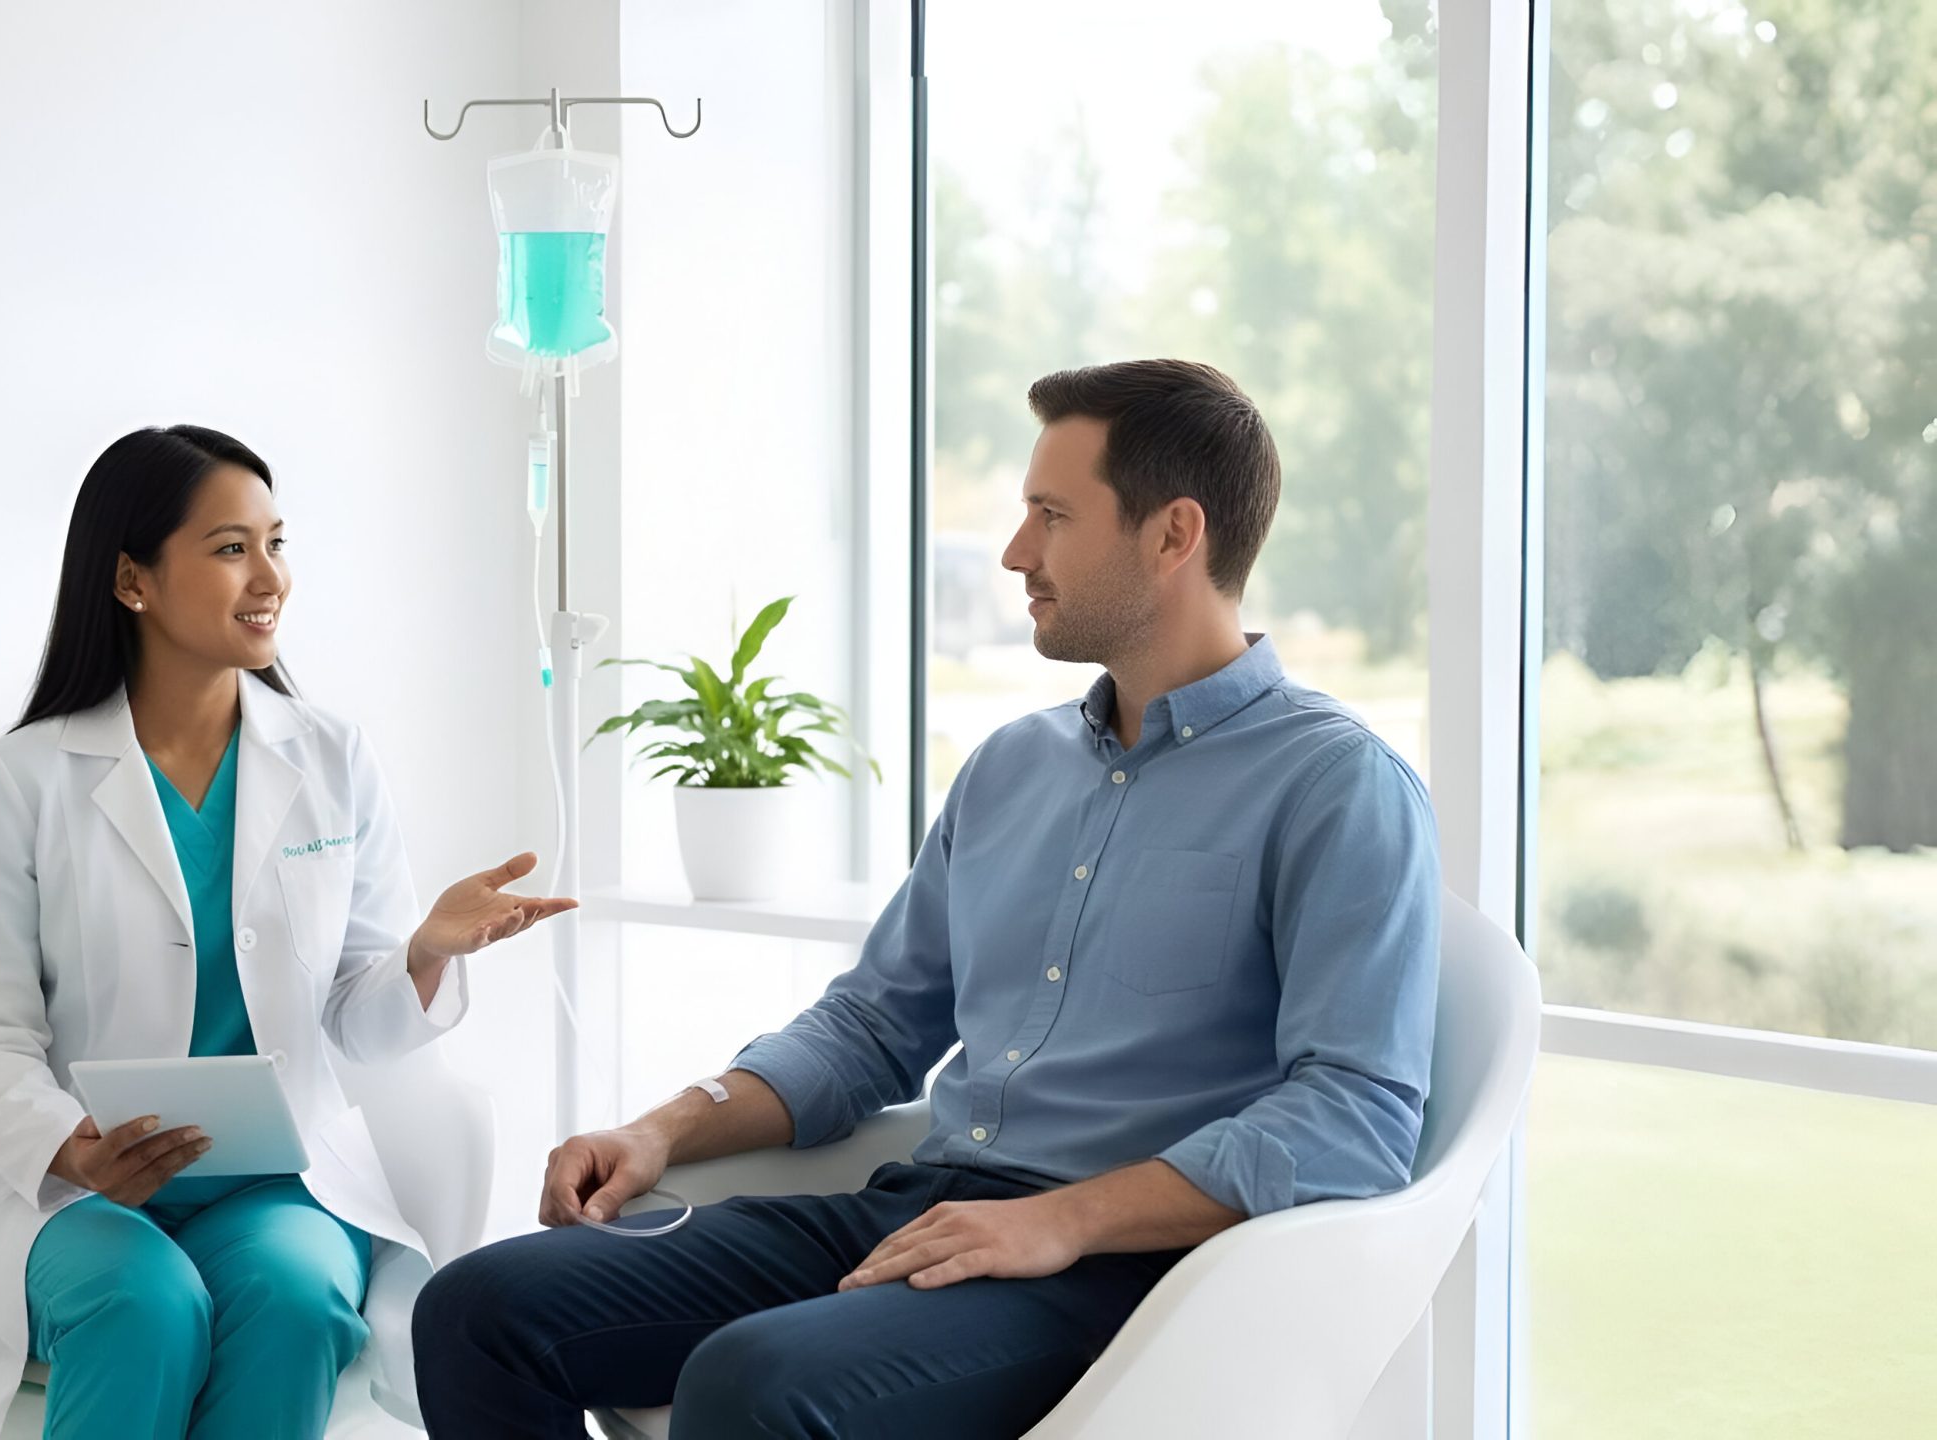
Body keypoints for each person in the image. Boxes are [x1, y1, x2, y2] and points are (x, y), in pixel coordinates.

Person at [413, 359, 1441, 1439]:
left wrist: (1063, 1221)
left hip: (1131, 1273)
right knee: (477, 1309)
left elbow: (1355, 1115)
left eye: (1051, 515)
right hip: (927, 1208)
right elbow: (872, 1025)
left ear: (1173, 534)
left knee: (755, 1384)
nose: (1014, 553)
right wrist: (665, 1129)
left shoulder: (1336, 787)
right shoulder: (1011, 766)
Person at [0, 425, 574, 1439]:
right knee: (145, 1306)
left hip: (278, 1185)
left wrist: (426, 953)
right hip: (74, 1191)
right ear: (132, 580)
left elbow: (359, 1022)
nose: (271, 578)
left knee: (297, 1305)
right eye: (229, 549)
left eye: (276, 541)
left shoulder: (333, 757)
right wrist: (72, 1151)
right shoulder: (23, 780)